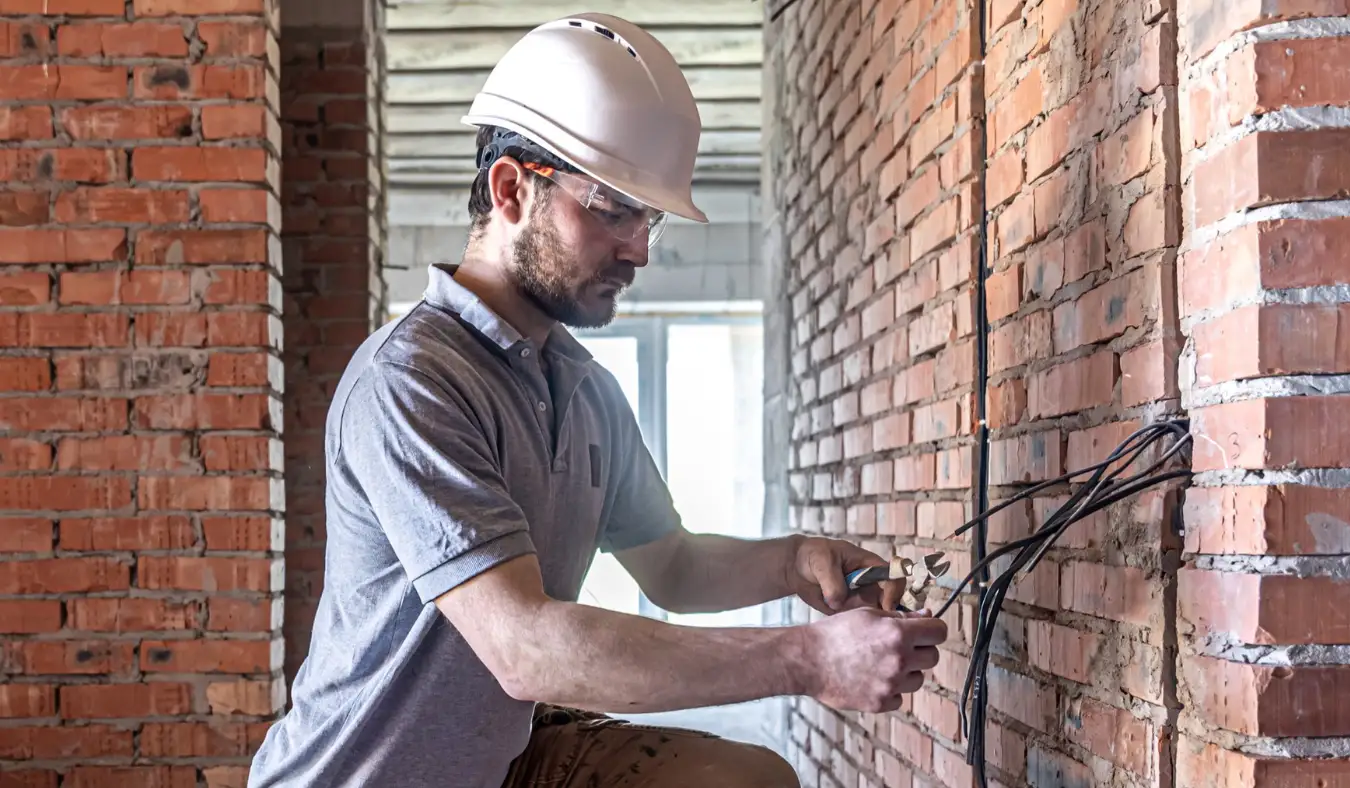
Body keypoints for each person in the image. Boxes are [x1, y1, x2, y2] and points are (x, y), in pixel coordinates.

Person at [248, 12, 948, 788]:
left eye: (647, 219)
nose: (640, 248)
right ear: (511, 187)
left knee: (746, 782)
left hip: (505, 766)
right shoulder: (413, 379)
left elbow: (673, 566)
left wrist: (791, 563)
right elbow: (523, 648)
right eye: (612, 209)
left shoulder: (585, 390)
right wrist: (804, 659)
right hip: (362, 778)